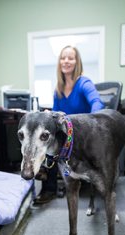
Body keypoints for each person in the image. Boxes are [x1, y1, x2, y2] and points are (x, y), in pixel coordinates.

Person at [34, 45, 104, 205]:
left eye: (70, 58)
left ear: (77, 62)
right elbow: (57, 115)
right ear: (59, 62)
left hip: (84, 133)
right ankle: (48, 188)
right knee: (47, 139)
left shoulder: (83, 83)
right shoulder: (58, 89)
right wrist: (48, 114)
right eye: (63, 58)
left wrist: (93, 123)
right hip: (67, 134)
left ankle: (49, 169)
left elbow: (96, 102)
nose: (66, 61)